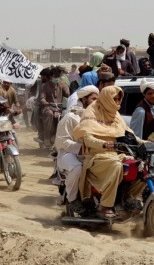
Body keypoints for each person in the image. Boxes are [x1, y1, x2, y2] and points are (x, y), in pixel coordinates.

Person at [73, 86, 145, 218]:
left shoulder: (115, 115)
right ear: (106, 99)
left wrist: (145, 142)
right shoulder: (92, 112)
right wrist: (103, 144)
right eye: (114, 99)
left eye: (119, 99)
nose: (117, 102)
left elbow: (128, 133)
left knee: (142, 166)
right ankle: (104, 205)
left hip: (114, 154)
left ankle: (127, 197)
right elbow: (87, 139)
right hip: (96, 157)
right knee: (117, 166)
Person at [54, 85, 99, 214]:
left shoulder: (96, 118)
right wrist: (81, 149)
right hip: (68, 155)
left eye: (97, 100)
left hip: (90, 154)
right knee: (77, 168)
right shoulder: (70, 117)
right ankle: (72, 200)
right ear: (84, 100)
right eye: (93, 99)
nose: (96, 103)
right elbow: (62, 142)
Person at [130, 78, 154, 161]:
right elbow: (136, 137)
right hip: (143, 145)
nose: (153, 96)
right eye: (150, 93)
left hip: (153, 141)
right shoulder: (141, 111)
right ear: (144, 94)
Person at [38, 68, 70, 147]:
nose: (56, 78)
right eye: (54, 77)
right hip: (48, 107)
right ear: (50, 77)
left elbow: (68, 94)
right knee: (49, 114)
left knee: (67, 115)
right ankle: (47, 138)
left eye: (57, 77)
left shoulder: (61, 84)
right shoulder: (44, 86)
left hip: (59, 107)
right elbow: (42, 97)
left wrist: (64, 86)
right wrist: (45, 102)